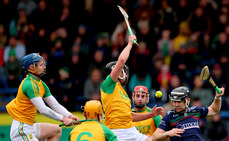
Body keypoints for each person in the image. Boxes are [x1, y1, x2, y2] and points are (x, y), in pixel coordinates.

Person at [100, 35, 164, 141]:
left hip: (130, 129)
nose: (125, 73)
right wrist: (130, 44)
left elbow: (130, 116)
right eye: (122, 70)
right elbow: (121, 60)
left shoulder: (121, 91)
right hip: (117, 131)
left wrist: (150, 115)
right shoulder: (109, 84)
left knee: (152, 139)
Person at [6, 53, 79, 141]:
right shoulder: (29, 84)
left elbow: (55, 105)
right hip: (21, 129)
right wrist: (63, 119)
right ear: (31, 68)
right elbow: (43, 110)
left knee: (56, 130)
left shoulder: (41, 84)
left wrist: (70, 116)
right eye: (40, 65)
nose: (44, 67)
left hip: (30, 126)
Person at [152, 86, 225, 141]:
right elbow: (155, 137)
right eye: (174, 102)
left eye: (179, 102)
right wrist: (168, 133)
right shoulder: (169, 116)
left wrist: (217, 98)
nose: (176, 105)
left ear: (188, 100)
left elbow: (213, 110)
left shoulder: (195, 110)